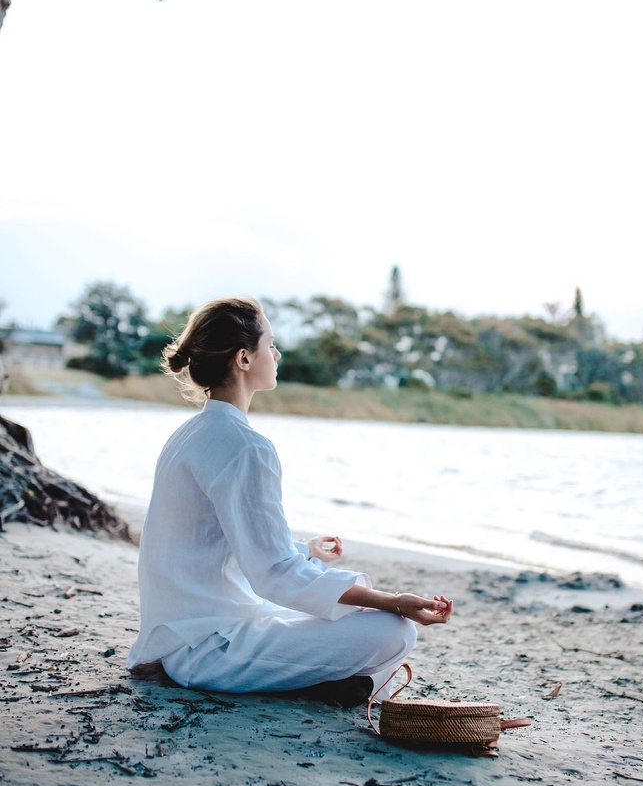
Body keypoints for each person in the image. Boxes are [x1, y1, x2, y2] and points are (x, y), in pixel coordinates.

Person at [127, 297, 453, 708]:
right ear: (244, 358)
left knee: (359, 620)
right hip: (205, 650)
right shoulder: (245, 446)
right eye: (271, 344)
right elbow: (276, 575)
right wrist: (395, 601)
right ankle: (336, 686)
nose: (277, 354)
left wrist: (305, 551)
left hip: (178, 635)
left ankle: (340, 684)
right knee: (394, 631)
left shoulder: (190, 434)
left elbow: (222, 546)